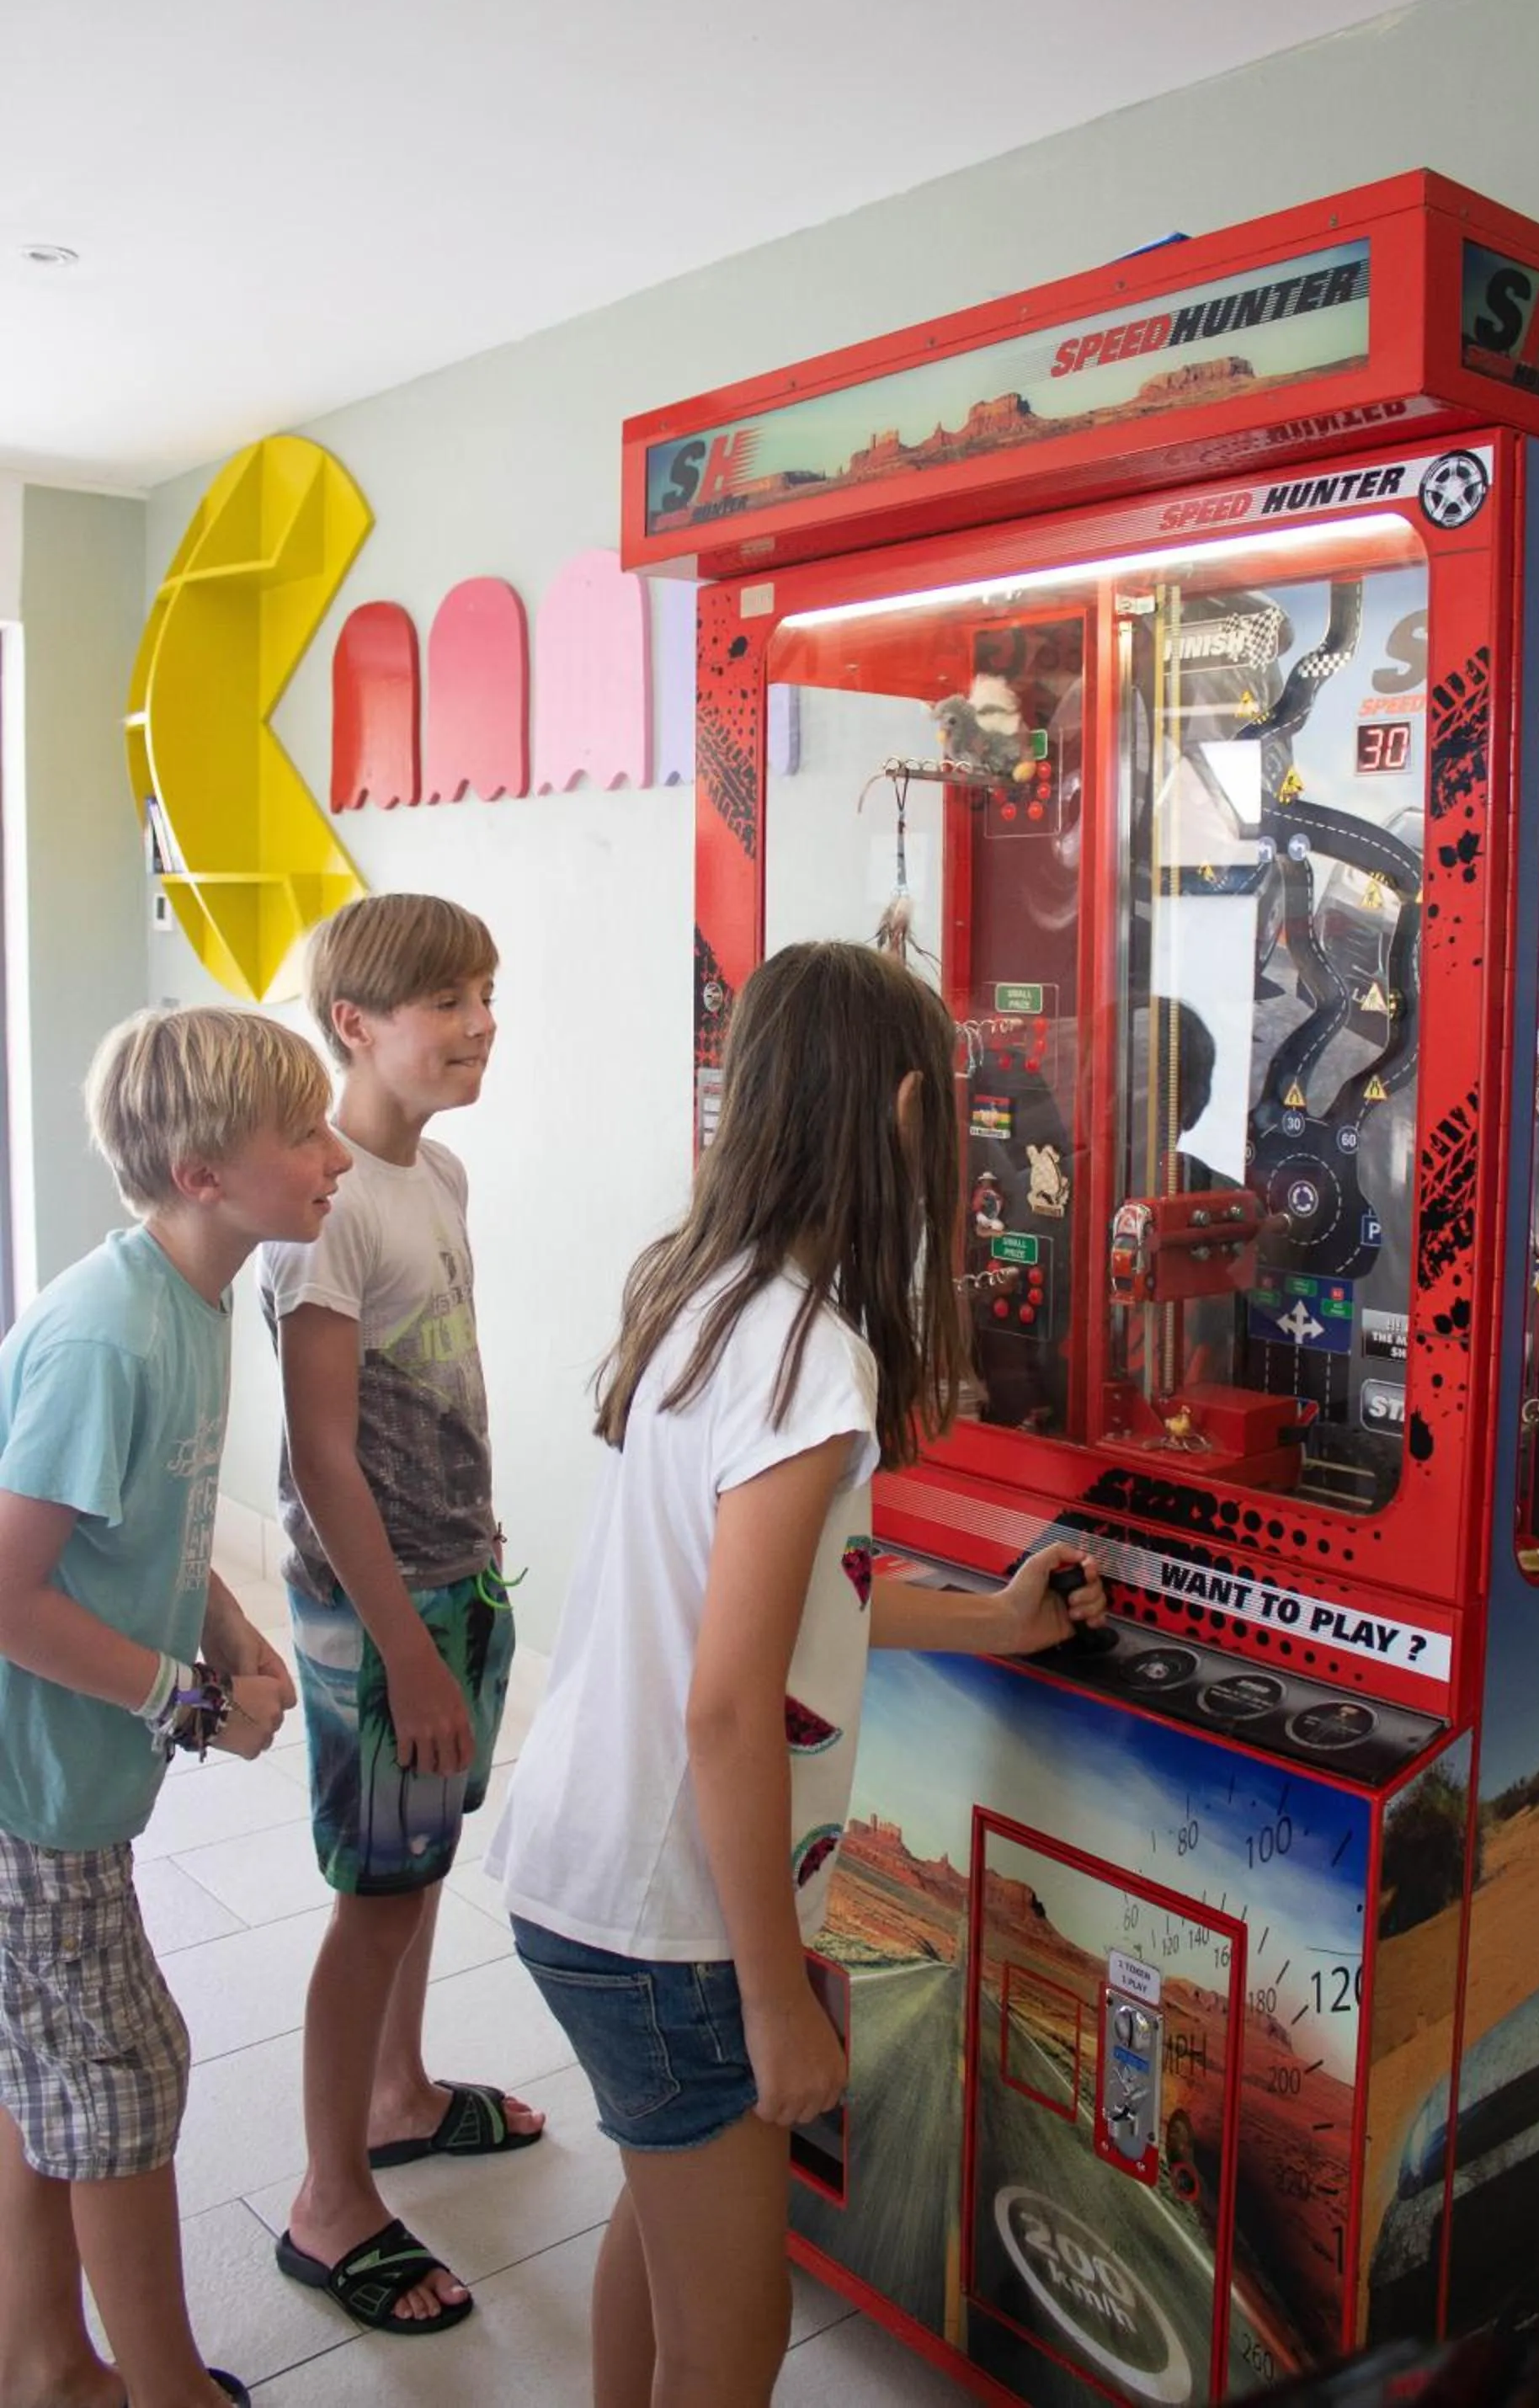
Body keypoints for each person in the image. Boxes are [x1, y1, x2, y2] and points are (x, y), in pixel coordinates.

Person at [489, 940, 1106, 2408]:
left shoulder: (701, 1293)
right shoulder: (811, 1363)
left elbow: (786, 1616)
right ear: (905, 1113)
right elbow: (728, 1705)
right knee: (735, 2337)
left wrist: (997, 1621)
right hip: (671, 1924)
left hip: (581, 1868)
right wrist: (775, 1995)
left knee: (659, 2223)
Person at [0, 1004, 348, 2408]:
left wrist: (228, 1628)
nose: (335, 1155)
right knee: (125, 2074)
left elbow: (151, 1511)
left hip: (65, 1784)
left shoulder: (192, 1300)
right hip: (28, 1796)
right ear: (202, 1174)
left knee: (49, 2071)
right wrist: (189, 1704)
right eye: (303, 1134)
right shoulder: (107, 1337)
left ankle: (42, 2362)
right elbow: (7, 1593)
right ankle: (161, 2388)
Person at [260, 893, 541, 2338]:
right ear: (355, 1025)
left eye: (486, 992)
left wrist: (461, 1585)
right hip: (381, 1617)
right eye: (449, 1000)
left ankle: (400, 2096)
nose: (483, 1022)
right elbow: (322, 1463)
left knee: (417, 1869)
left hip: (450, 1578)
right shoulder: (328, 1206)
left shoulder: (439, 1173)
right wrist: (411, 1652)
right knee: (374, 1902)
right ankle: (328, 2199)